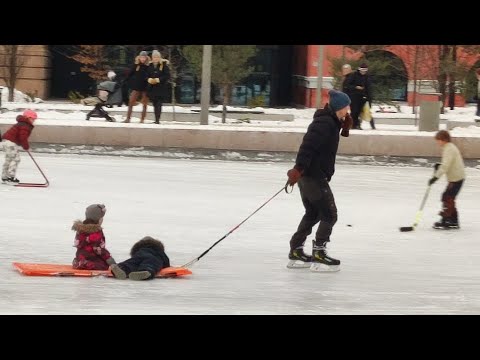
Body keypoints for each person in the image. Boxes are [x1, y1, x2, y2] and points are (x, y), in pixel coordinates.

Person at [286, 89, 352, 272]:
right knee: (329, 214)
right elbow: (307, 146)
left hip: (309, 176)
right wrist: (298, 168)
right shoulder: (324, 123)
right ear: (340, 107)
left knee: (313, 214)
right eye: (347, 107)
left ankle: (296, 250)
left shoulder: (330, 122)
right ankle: (319, 253)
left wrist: (343, 126)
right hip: (312, 176)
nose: (349, 111)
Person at [428, 130, 466, 229]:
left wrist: (435, 177)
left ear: (444, 139)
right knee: (449, 197)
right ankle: (453, 220)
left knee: (447, 197)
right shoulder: (449, 147)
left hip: (456, 178)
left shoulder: (449, 149)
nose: (437, 142)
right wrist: (439, 166)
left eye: (438, 140)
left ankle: (448, 220)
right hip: (456, 177)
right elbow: (447, 163)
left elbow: (446, 166)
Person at [72, 204, 116, 270]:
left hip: (80, 257)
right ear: (98, 219)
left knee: (83, 258)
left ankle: (79, 262)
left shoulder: (80, 230)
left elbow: (77, 243)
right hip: (93, 259)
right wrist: (110, 260)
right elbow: (100, 249)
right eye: (102, 218)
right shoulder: (97, 232)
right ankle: (85, 264)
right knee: (104, 266)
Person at [1, 109, 37, 184]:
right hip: (11, 143)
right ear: (28, 118)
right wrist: (26, 146)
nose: (33, 121)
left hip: (6, 141)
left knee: (9, 159)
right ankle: (11, 177)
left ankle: (4, 177)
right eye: (33, 119)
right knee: (16, 159)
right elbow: (23, 137)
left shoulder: (21, 124)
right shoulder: (25, 125)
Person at [343, 63, 375, 129]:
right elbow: (347, 86)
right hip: (354, 96)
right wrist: (355, 87)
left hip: (363, 97)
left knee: (362, 111)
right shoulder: (353, 75)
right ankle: (354, 125)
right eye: (362, 70)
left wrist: (369, 99)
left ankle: (358, 125)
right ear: (359, 70)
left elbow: (369, 89)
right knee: (354, 111)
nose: (363, 72)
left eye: (365, 70)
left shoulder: (367, 77)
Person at [123, 51, 150, 123]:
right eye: (141, 57)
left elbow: (151, 76)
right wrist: (125, 80)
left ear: (146, 58)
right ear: (139, 57)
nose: (143, 59)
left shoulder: (149, 66)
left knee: (144, 104)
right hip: (136, 87)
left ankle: (142, 119)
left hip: (145, 88)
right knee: (131, 102)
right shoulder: (136, 65)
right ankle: (128, 118)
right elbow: (130, 74)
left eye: (144, 57)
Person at [146, 50, 171, 124]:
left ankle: (157, 119)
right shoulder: (149, 66)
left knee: (159, 104)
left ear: (159, 57)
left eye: (157, 57)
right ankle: (156, 118)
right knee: (154, 103)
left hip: (161, 87)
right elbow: (146, 74)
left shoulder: (163, 65)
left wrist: (158, 79)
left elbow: (167, 75)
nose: (155, 58)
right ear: (152, 58)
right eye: (154, 57)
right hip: (152, 88)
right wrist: (149, 79)